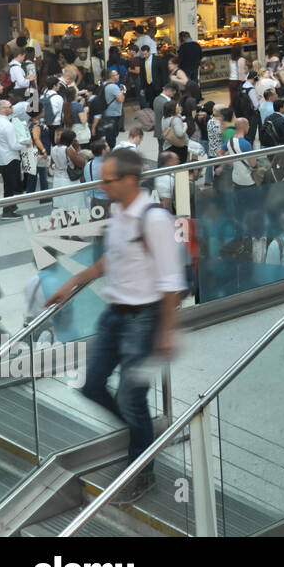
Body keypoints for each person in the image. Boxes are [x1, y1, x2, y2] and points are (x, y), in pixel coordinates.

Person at [45, 147, 184, 505]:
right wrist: (73, 281)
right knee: (91, 385)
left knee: (130, 396)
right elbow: (112, 259)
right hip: (114, 315)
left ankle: (142, 470)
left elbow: (172, 281)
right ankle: (142, 436)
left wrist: (166, 332)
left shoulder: (154, 219)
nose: (100, 186)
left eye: (107, 180)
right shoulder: (121, 213)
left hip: (145, 319)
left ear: (129, 180)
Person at [0, 100, 21, 218]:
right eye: (10, 106)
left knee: (8, 184)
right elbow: (14, 145)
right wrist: (26, 144)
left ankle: (11, 206)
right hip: (10, 158)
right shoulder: (8, 125)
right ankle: (7, 211)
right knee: (10, 186)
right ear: (3, 109)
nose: (12, 108)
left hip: (0, 157)